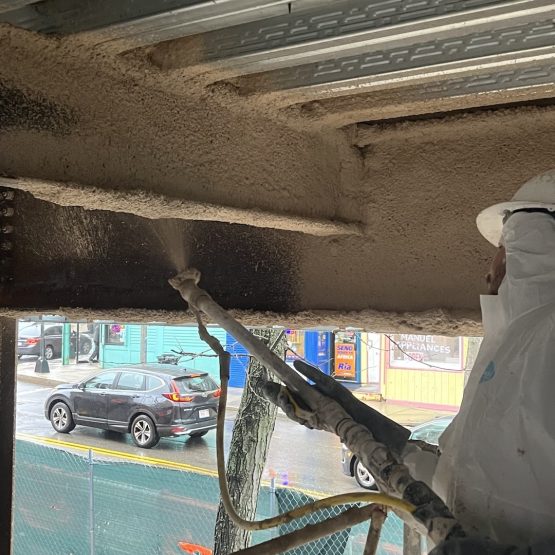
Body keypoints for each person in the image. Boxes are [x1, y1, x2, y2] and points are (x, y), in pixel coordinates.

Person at [403, 169, 555, 553]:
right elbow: (473, 480)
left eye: (508, 248)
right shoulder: (509, 347)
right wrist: (399, 457)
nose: (491, 271)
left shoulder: (542, 339)